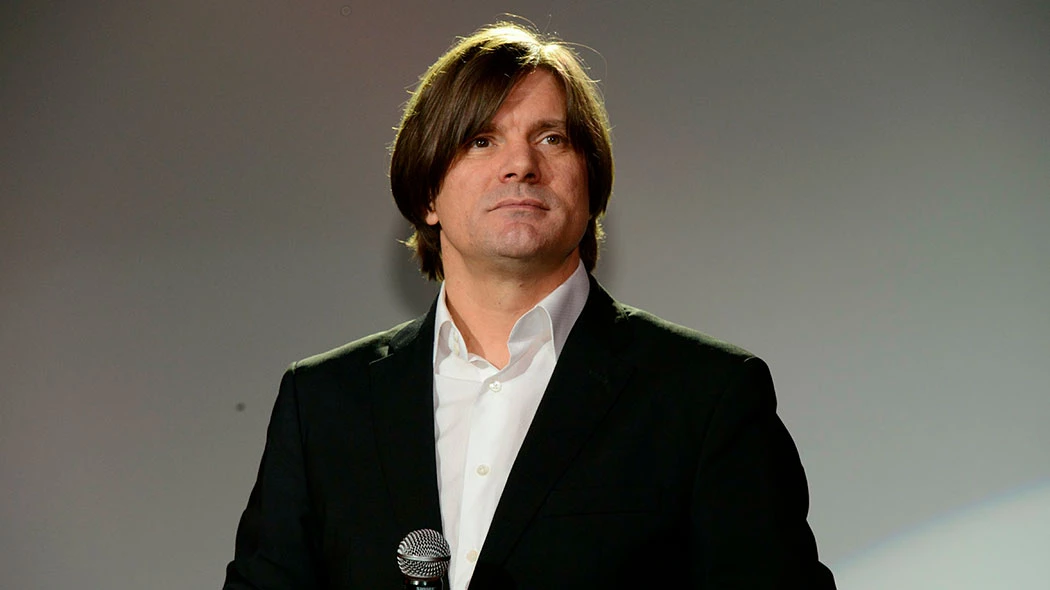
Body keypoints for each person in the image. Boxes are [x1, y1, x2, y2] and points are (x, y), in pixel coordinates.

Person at [224, 22, 836, 590]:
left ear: (591, 185)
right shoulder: (323, 403)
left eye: (551, 138)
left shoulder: (705, 397)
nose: (521, 165)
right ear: (427, 193)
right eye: (481, 140)